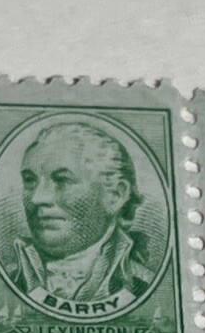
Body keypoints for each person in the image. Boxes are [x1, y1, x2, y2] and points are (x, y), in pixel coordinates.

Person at [12, 119, 158, 308]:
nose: (37, 198)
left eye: (62, 180)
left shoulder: (143, 284)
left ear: (115, 195)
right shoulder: (8, 279)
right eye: (29, 180)